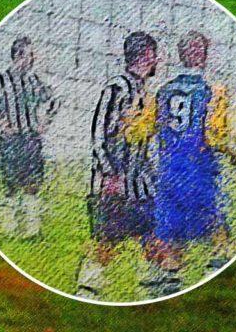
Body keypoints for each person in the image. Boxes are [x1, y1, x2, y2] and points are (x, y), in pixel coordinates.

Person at [146, 31, 235, 296]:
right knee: (215, 221)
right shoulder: (211, 91)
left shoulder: (163, 91)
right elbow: (214, 134)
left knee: (172, 228)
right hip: (199, 168)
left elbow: (148, 127)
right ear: (203, 56)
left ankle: (171, 280)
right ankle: (215, 269)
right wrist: (230, 152)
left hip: (169, 171)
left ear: (181, 56)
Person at [76, 31, 160, 299]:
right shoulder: (117, 87)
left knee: (152, 236)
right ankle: (87, 293)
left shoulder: (145, 92)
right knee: (104, 242)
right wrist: (109, 173)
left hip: (139, 185)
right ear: (146, 54)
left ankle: (152, 292)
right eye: (154, 54)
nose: (158, 59)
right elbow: (98, 134)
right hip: (113, 183)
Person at [0, 37, 59, 238]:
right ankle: (8, 229)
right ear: (18, 56)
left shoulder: (34, 80)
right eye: (29, 55)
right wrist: (2, 121)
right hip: (11, 141)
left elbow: (54, 100)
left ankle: (32, 231)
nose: (33, 59)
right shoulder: (0, 80)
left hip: (31, 139)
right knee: (11, 185)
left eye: (33, 55)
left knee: (33, 185)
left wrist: (45, 122)